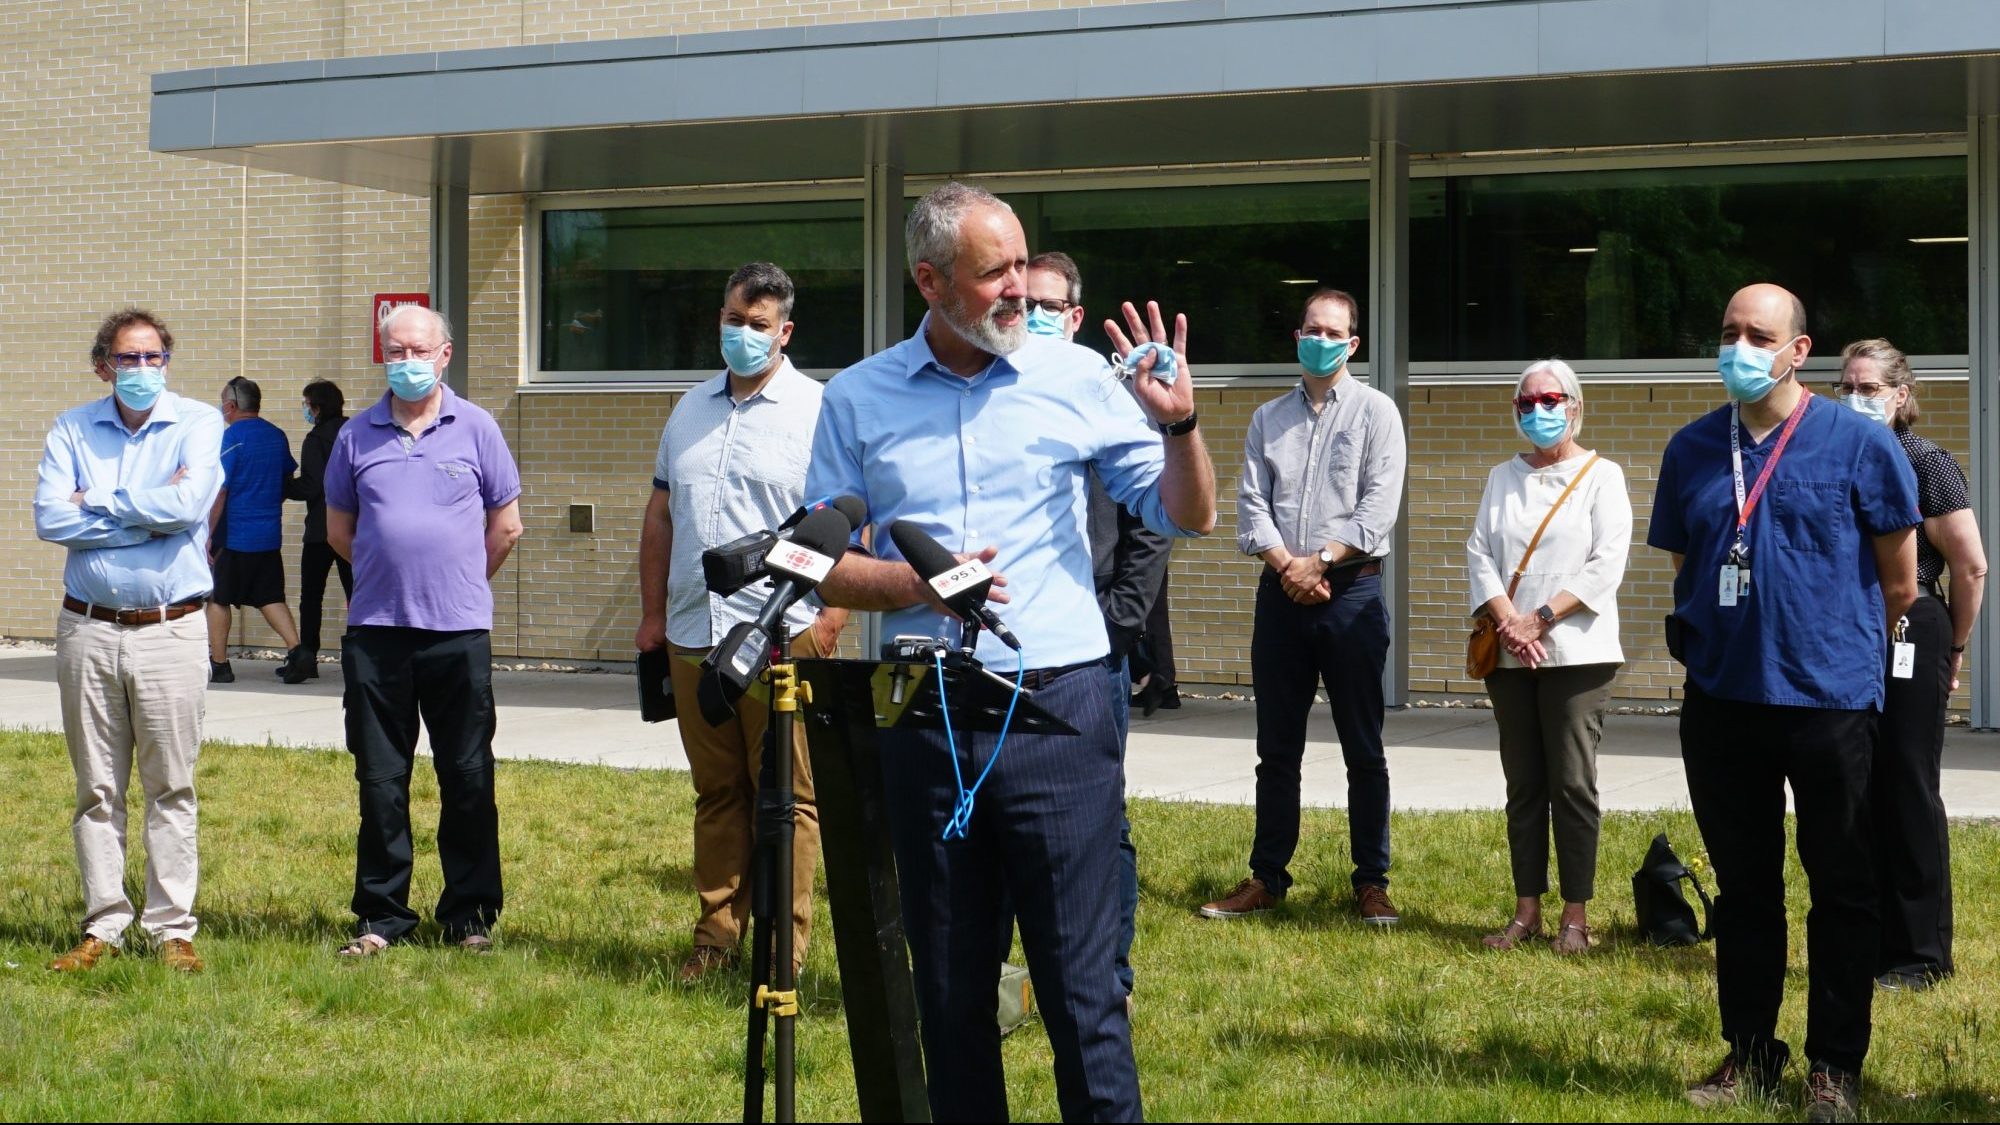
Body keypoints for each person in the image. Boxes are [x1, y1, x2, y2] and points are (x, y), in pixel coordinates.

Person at [807, 181, 1215, 1122]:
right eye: (995, 272)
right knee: (950, 990)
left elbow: (1186, 514)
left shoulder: (1075, 379)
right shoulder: (858, 398)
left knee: (1082, 993)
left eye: (1024, 267)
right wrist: (915, 586)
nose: (1019, 292)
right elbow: (822, 564)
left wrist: (1181, 424)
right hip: (925, 710)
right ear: (930, 279)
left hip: (1059, 708)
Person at [1649, 284, 1918, 1123]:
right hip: (1724, 699)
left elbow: (1901, 580)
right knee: (1744, 887)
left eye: (1757, 334)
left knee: (1841, 883)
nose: (1739, 346)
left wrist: (1831, 646)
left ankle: (1835, 1066)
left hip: (1828, 699)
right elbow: (1688, 568)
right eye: (1728, 331)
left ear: (1800, 350)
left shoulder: (1859, 443)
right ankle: (1752, 1052)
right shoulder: (1693, 447)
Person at [635, 261, 845, 984]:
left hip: (783, 636)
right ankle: (715, 939)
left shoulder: (821, 412)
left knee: (790, 800)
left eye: (758, 325)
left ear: (784, 332)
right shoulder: (688, 409)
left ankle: (782, 954)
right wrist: (653, 615)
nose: (742, 334)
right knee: (718, 792)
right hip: (695, 634)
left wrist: (833, 619)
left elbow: (854, 522)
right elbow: (662, 513)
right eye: (733, 319)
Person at [323, 304, 524, 957]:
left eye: (419, 349)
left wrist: (459, 578)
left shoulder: (478, 428)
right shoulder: (356, 435)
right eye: (395, 350)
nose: (406, 360)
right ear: (382, 355)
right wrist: (392, 573)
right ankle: (382, 914)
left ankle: (469, 914)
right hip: (377, 634)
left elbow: (506, 524)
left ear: (445, 354)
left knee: (467, 776)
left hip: (458, 634)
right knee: (381, 779)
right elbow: (339, 531)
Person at [1204, 287, 1407, 926]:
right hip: (1280, 595)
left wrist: (1318, 562)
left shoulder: (1378, 413)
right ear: (1297, 337)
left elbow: (1378, 510)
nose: (1319, 340)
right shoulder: (1267, 418)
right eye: (1309, 329)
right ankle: (1267, 876)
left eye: (1332, 332)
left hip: (1352, 595)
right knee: (1277, 747)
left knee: (1363, 747)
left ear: (1352, 344)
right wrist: (1288, 567)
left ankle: (1371, 881)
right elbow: (1249, 505)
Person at [34, 307, 224, 974]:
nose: (142, 370)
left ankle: (172, 926)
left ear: (166, 363)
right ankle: (103, 925)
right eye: (128, 358)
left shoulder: (198, 421)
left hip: (171, 629)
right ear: (102, 365)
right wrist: (144, 514)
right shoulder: (72, 427)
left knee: (170, 783)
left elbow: (187, 506)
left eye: (153, 357)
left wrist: (101, 503)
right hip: (87, 627)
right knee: (98, 788)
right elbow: (50, 516)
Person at [1024, 249, 1162, 1004]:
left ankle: (1109, 975)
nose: (1032, 315)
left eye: (1047, 305)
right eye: (1023, 302)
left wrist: (1117, 625)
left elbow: (1150, 526)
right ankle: (1026, 975)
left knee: (1101, 821)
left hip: (1094, 649)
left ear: (1076, 317)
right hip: (1012, 648)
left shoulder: (1112, 397)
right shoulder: (1001, 392)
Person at [1465, 359, 1632, 955]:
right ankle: (1526, 910)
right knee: (1524, 783)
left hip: (1577, 654)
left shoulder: (1602, 476)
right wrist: (1510, 621)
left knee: (1572, 784)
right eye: (1527, 403)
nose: (1538, 411)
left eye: (1551, 400)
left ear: (1576, 406)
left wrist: (1540, 617)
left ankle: (1576, 917)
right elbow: (1479, 553)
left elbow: (1606, 563)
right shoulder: (1500, 478)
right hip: (1512, 655)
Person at [1834, 338, 1986, 992]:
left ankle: (1923, 953)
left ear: (1900, 395)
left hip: (1911, 622)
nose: (1855, 398)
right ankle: (1874, 942)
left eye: (1868, 387)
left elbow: (1971, 565)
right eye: (1846, 385)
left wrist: (1953, 647)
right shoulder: (1834, 457)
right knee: (1855, 783)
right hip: (1847, 630)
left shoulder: (1927, 462)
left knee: (1907, 779)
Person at [205, 376, 305, 684]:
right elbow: (286, 479)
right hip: (268, 535)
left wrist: (207, 535)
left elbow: (220, 491)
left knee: (218, 599)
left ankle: (219, 665)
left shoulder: (230, 438)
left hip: (233, 535)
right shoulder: (277, 436)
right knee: (269, 596)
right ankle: (298, 652)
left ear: (231, 406)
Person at [285, 378, 352, 677]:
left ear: (318, 407)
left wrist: (284, 485)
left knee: (312, 597)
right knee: (358, 593)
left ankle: (307, 657)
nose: (306, 410)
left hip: (320, 531)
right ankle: (359, 653)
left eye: (307, 404)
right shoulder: (355, 433)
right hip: (354, 528)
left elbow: (312, 487)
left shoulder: (316, 439)